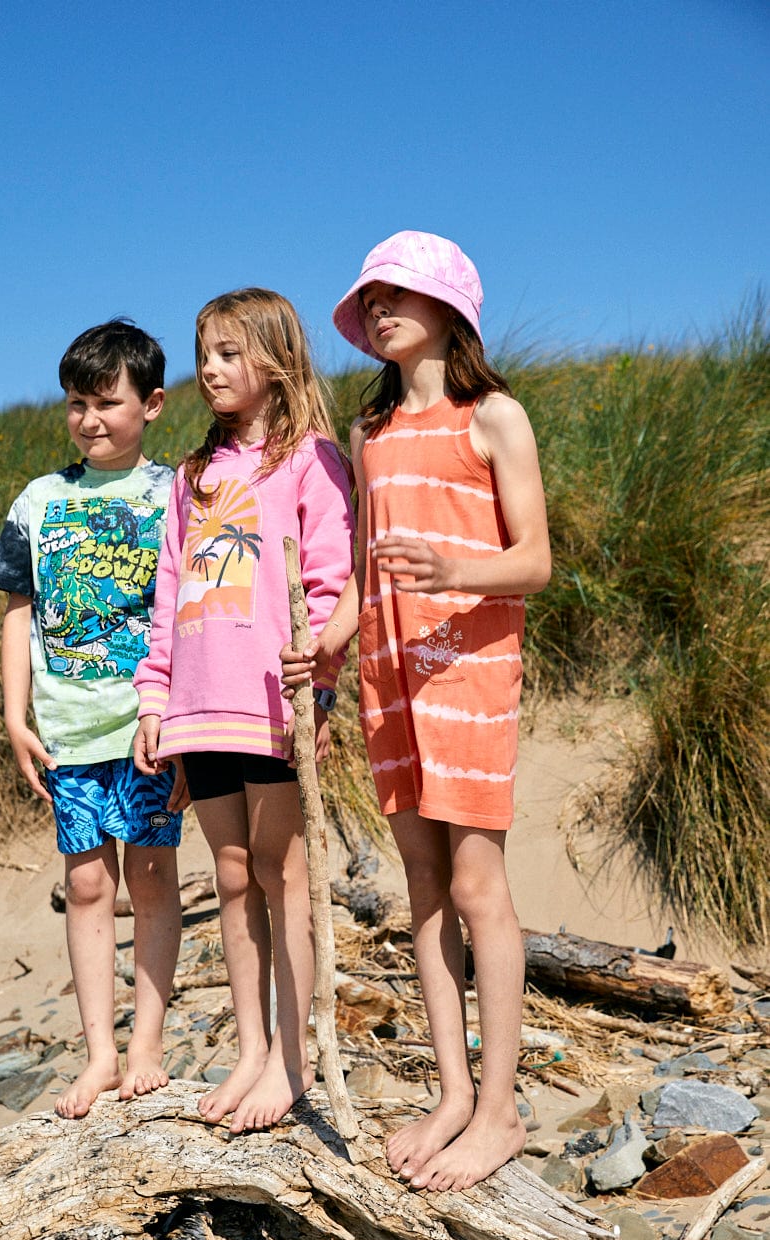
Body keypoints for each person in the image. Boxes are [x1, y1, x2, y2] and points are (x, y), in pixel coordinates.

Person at [281, 231, 551, 1190]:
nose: (382, 308)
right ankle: (451, 1094)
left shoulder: (495, 418)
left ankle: (502, 1108)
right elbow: (359, 575)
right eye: (373, 297)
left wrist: (456, 569)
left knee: (480, 887)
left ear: (447, 310)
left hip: (470, 676)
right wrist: (328, 644)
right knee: (424, 888)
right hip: (388, 681)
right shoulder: (372, 433)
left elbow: (536, 561)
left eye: (400, 293)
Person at [133, 288, 354, 1135]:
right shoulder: (192, 476)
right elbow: (167, 599)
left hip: (272, 702)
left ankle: (293, 1061)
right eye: (205, 354)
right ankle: (252, 1049)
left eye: (230, 353)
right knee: (231, 876)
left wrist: (322, 682)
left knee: (282, 872)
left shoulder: (310, 459)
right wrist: (155, 700)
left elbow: (331, 583)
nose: (211, 370)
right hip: (200, 703)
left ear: (276, 360)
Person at [0, 319, 183, 1120]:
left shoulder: (176, 494)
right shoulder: (39, 501)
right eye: (77, 403)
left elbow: (193, 610)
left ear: (153, 404)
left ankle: (147, 1046)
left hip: (148, 728)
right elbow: (16, 610)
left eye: (107, 402)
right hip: (67, 729)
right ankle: (100, 1050)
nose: (90, 419)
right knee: (89, 883)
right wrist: (14, 711)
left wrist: (185, 720)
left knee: (152, 875)